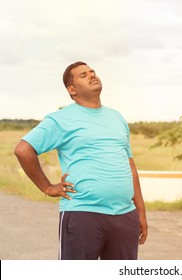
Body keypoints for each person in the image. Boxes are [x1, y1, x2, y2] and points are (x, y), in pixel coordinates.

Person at [14, 61, 148, 260]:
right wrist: (48, 187)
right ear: (72, 89)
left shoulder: (116, 117)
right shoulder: (61, 119)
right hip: (83, 213)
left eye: (92, 72)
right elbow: (23, 150)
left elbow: (130, 166)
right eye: (83, 75)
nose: (92, 75)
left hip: (124, 215)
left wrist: (140, 212)